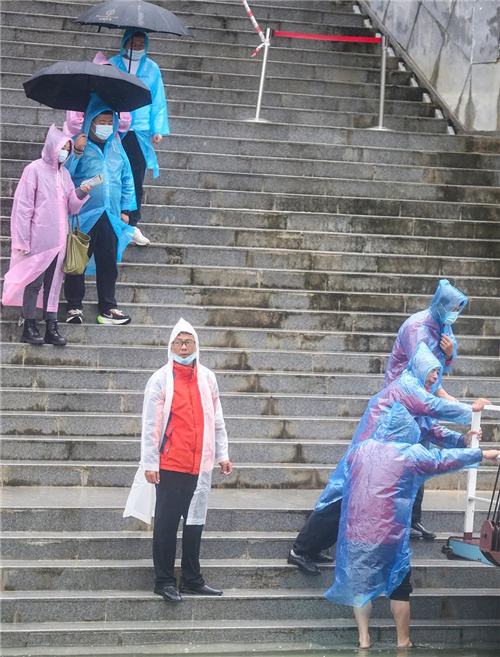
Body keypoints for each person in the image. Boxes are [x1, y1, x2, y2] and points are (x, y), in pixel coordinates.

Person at [288, 341, 490, 575]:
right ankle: (300, 550)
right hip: (367, 453)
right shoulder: (407, 387)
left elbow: (431, 428)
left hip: (379, 456)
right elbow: (433, 407)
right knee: (338, 501)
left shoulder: (418, 393)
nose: (435, 377)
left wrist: (461, 440)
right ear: (420, 367)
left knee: (349, 504)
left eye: (438, 372)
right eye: (432, 370)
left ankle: (314, 549)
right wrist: (471, 410)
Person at [326, 402, 500, 648]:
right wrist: (482, 454)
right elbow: (443, 459)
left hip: (357, 532)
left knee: (360, 587)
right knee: (399, 588)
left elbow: (341, 482)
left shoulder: (359, 450)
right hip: (389, 534)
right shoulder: (409, 455)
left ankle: (364, 639)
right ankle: (403, 641)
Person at [123, 318, 232, 602]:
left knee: (195, 522)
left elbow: (216, 419)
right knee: (167, 525)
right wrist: (150, 463)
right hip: (171, 463)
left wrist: (222, 454)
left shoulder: (207, 378)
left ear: (197, 345)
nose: (184, 348)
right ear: (171, 346)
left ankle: (192, 579)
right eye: (179, 342)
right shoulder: (160, 379)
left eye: (188, 342)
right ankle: (164, 581)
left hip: (201, 464)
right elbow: (151, 424)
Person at [384, 279, 469, 539]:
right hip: (404, 401)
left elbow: (440, 369)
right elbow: (421, 368)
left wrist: (450, 354)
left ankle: (413, 519)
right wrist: (454, 403)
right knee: (402, 463)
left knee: (420, 459)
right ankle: (395, 520)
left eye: (459, 309)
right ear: (442, 305)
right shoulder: (417, 328)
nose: (455, 314)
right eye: (453, 308)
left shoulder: (444, 327)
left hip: (423, 399)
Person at [1, 124, 89, 345]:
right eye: (62, 148)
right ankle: (28, 324)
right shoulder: (34, 170)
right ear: (52, 147)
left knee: (54, 284)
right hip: (38, 239)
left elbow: (71, 206)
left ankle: (51, 325)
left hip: (59, 240)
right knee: (34, 283)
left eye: (68, 149)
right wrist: (22, 240)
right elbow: (23, 207)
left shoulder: (64, 174)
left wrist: (81, 192)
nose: (65, 152)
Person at [64, 94, 136, 326]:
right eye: (101, 121)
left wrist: (126, 209)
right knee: (77, 260)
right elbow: (63, 174)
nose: (106, 126)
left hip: (111, 214)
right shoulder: (78, 143)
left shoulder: (117, 147)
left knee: (108, 263)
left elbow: (127, 178)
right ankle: (74, 305)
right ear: (90, 122)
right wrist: (76, 152)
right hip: (83, 214)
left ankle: (108, 307)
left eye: (109, 122)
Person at [109, 29, 170, 247]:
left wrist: (157, 128)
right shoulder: (112, 64)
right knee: (113, 175)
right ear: (125, 43)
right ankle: (113, 219)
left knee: (136, 176)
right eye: (133, 43)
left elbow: (158, 99)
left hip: (140, 130)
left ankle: (132, 224)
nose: (136, 48)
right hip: (115, 128)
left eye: (140, 44)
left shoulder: (152, 69)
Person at [63, 52, 132, 139]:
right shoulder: (81, 93)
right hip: (82, 141)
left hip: (109, 141)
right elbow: (73, 123)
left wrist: (106, 124)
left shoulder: (116, 95)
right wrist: (94, 128)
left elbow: (126, 122)